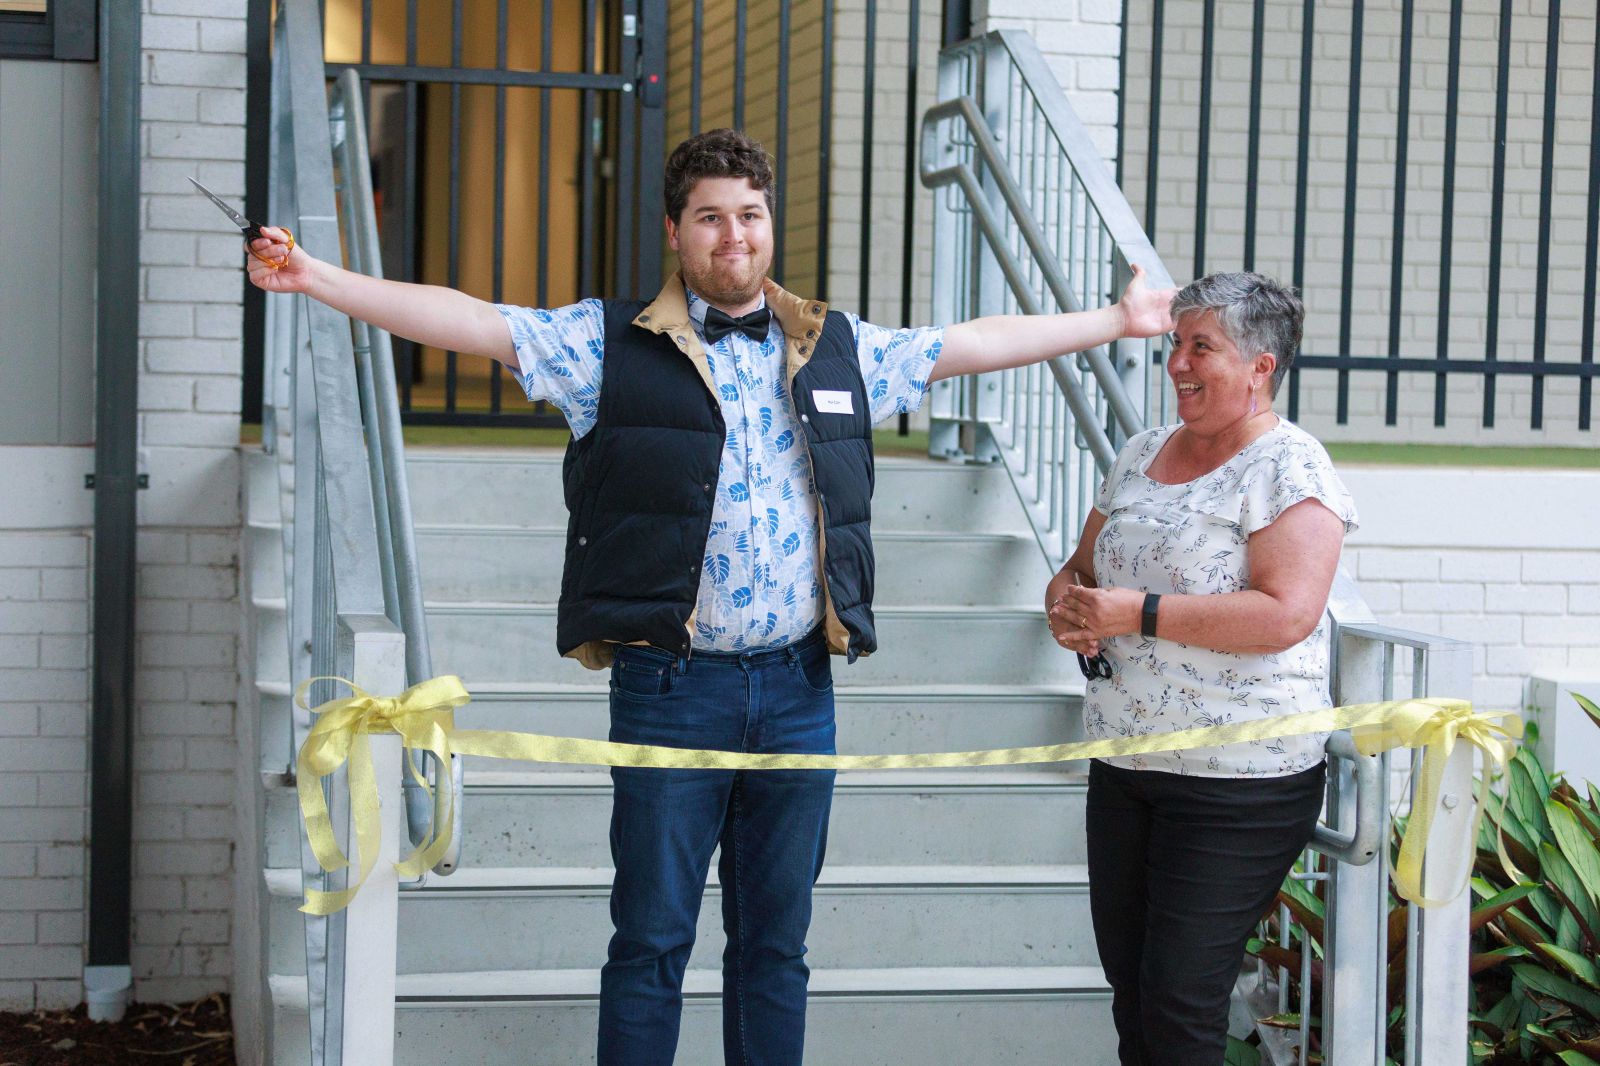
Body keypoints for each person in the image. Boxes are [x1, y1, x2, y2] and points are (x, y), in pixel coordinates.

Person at [247, 127, 1176, 1066]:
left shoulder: (833, 345)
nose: (733, 235)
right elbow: (468, 319)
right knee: (650, 942)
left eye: (749, 215)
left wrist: (1117, 320)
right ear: (675, 230)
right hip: (669, 689)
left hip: (799, 693)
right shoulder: (605, 344)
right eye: (710, 218)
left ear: (770, 223)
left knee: (777, 948)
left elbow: (973, 343)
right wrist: (317, 276)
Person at [1044, 271, 1359, 1065]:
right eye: (1176, 343)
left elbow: (1287, 613)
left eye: (1201, 346)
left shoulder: (1292, 469)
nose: (1178, 362)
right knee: (1134, 992)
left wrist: (1135, 614)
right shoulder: (1142, 450)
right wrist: (1067, 605)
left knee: (1182, 1001)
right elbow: (1080, 567)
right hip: (1126, 763)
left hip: (1238, 783)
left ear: (1261, 365)